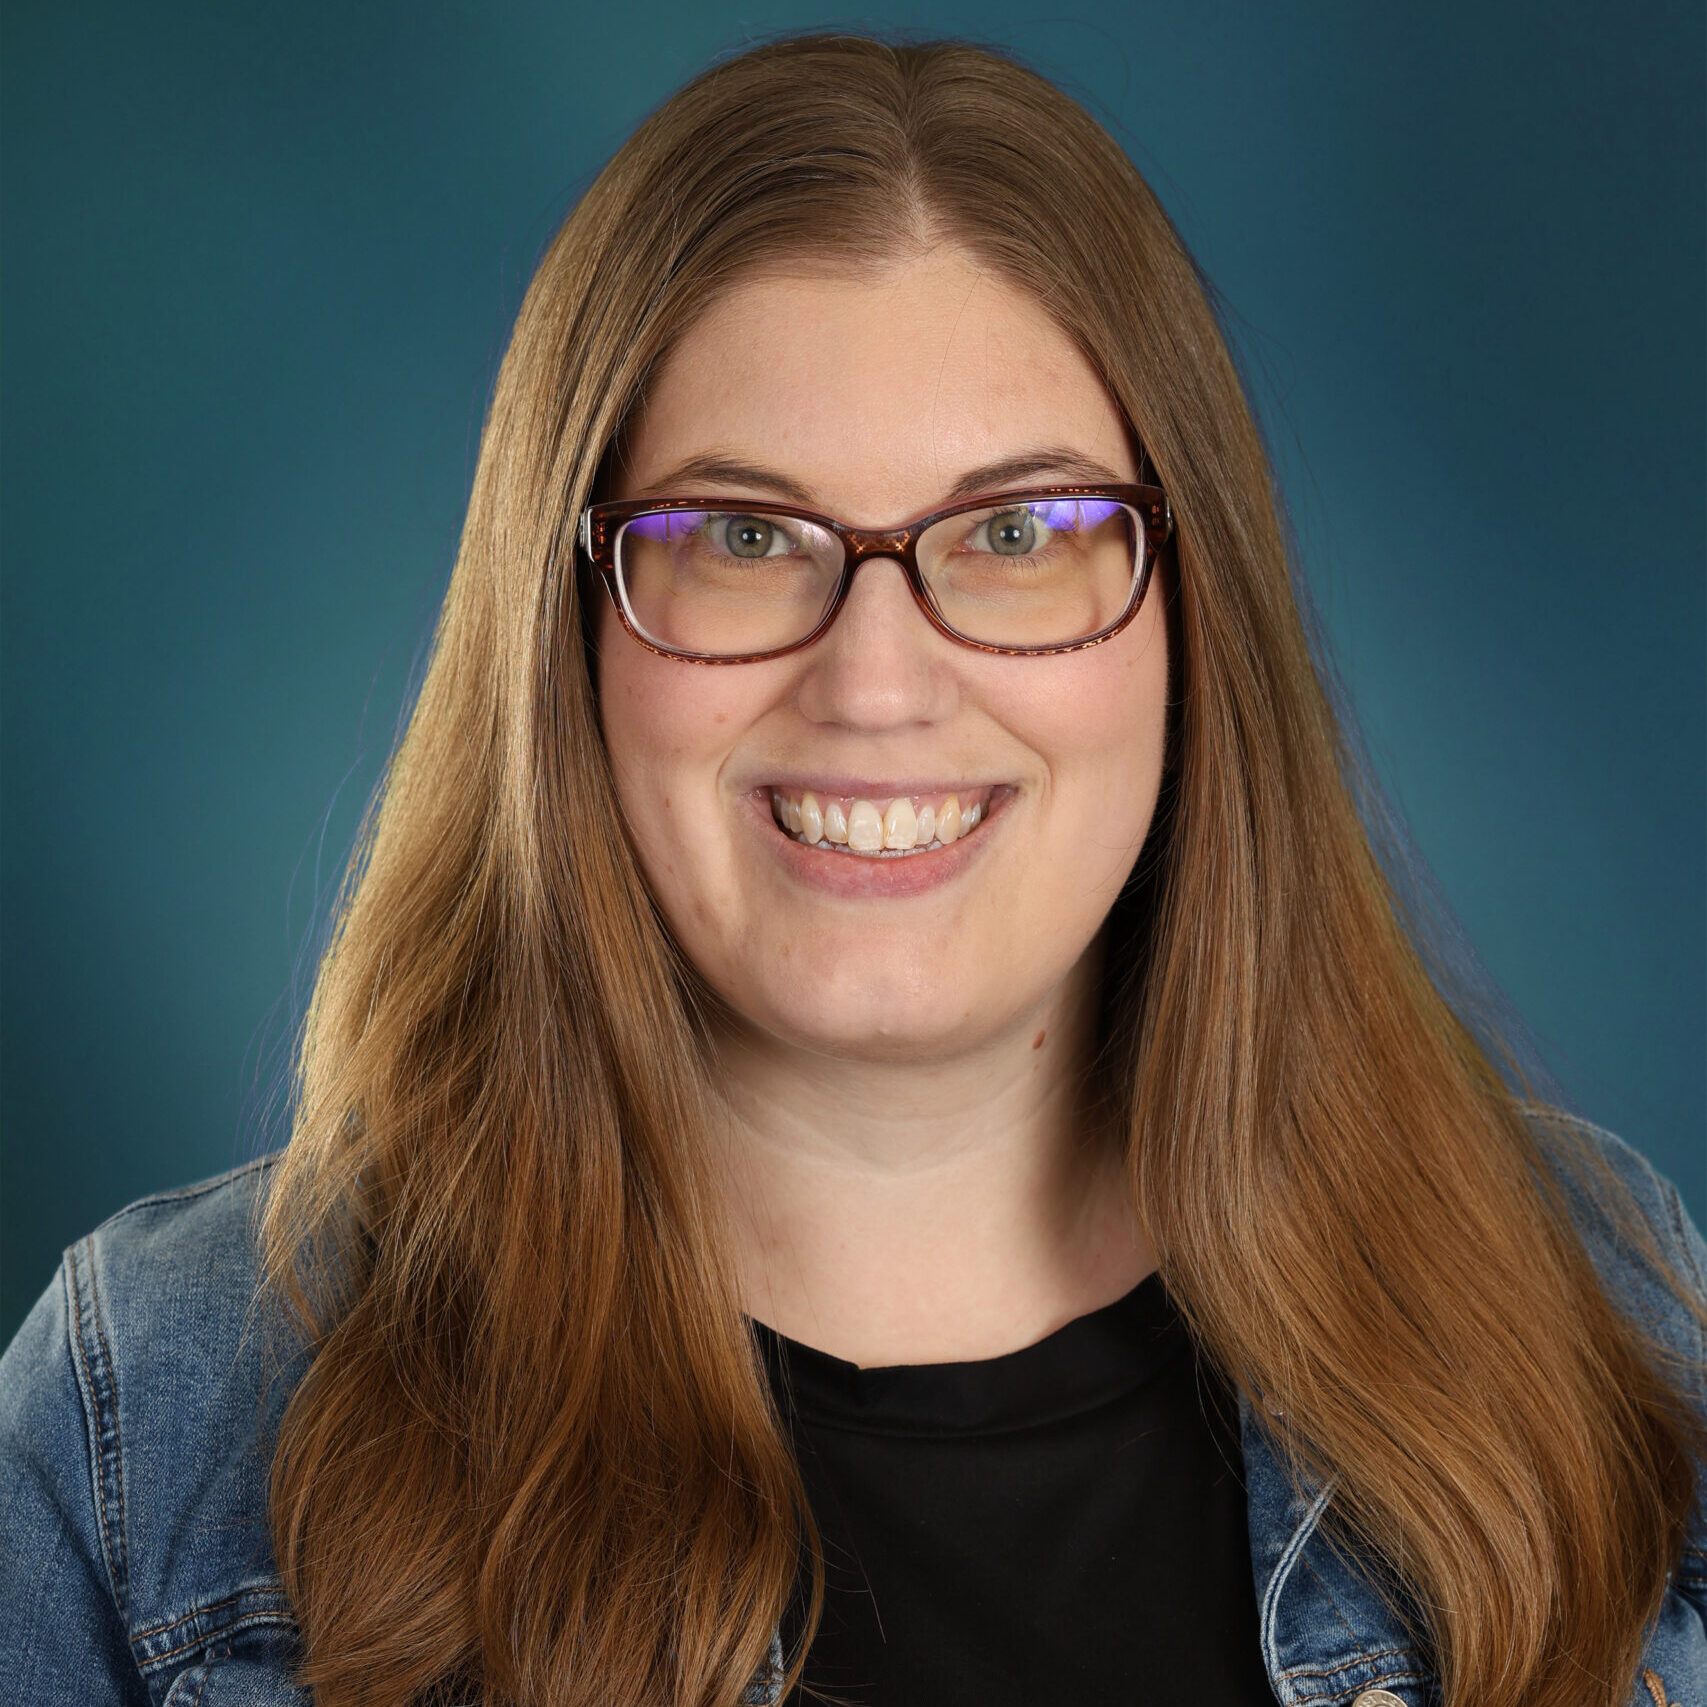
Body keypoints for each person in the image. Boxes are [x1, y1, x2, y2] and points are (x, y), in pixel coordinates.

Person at [1, 33, 1703, 1707]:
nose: (876, 681)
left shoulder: (1592, 1306)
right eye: (743, 539)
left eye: (1019, 534)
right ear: (568, 630)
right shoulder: (153, 1428)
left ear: (1197, 619)